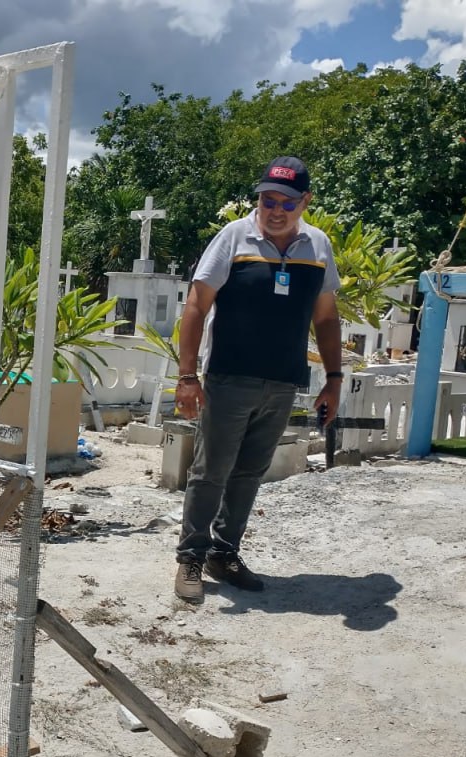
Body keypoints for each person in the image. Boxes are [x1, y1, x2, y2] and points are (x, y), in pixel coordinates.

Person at [172, 156, 343, 603]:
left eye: (287, 201)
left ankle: (224, 554)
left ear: (305, 201)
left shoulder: (318, 246)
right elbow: (196, 305)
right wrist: (188, 376)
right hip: (229, 378)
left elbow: (326, 319)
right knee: (211, 472)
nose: (276, 209)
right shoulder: (234, 237)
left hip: (284, 381)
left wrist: (335, 378)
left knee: (249, 473)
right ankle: (191, 556)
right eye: (268, 199)